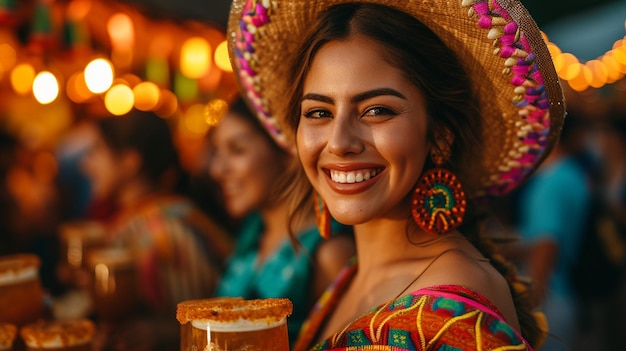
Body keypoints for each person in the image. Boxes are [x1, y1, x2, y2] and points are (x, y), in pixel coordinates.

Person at [227, 0, 565, 350]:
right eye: (318, 112)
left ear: (439, 137)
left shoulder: (451, 306)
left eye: (377, 110)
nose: (340, 142)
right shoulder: (354, 274)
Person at [79, 110, 234, 351]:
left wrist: (172, 331)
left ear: (130, 162)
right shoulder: (153, 218)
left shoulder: (161, 231)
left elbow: (211, 317)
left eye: (97, 150)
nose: (85, 164)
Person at [207, 97, 355, 345]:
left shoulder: (328, 253)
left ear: (287, 153)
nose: (217, 169)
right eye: (217, 152)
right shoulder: (250, 236)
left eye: (237, 150)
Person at [505, 111, 593, 350]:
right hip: (566, 291)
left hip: (549, 298)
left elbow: (546, 243)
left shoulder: (551, 182)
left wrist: (531, 306)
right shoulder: (573, 174)